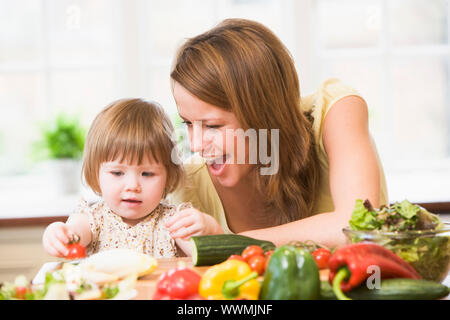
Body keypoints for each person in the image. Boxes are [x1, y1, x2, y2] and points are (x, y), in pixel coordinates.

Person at [165, 18, 388, 248]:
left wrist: (229, 243)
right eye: (188, 123)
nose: (196, 144)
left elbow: (358, 229)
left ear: (263, 114)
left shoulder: (336, 112)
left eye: (212, 126)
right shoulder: (191, 186)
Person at [42, 98, 222, 258]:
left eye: (147, 174)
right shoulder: (93, 220)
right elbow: (73, 234)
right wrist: (57, 234)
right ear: (96, 173)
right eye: (117, 173)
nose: (132, 186)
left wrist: (210, 229)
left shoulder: (172, 221)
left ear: (168, 176)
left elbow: (209, 255)